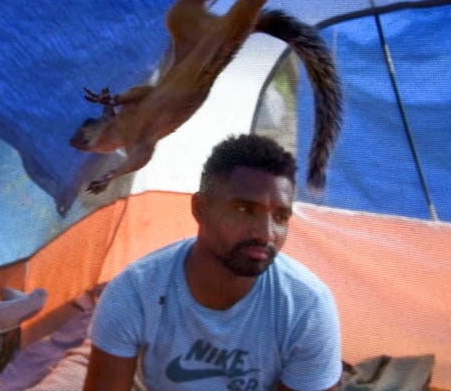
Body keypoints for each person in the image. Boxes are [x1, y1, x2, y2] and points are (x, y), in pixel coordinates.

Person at [83, 134, 342, 391]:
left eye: (280, 216)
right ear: (200, 208)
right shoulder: (135, 290)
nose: (266, 233)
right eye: (245, 209)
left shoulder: (307, 305)